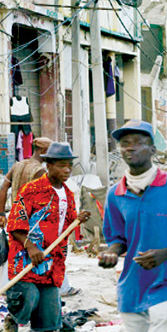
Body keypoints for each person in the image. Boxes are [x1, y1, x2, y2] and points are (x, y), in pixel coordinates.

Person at [99, 120, 167, 332]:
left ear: (152, 150)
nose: (129, 147)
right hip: (132, 288)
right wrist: (111, 253)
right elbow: (117, 238)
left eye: (137, 142)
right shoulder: (115, 194)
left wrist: (165, 254)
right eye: (124, 143)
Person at [4, 142, 91, 332]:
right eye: (61, 165)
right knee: (29, 297)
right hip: (26, 261)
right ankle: (12, 317)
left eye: (69, 165)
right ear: (49, 165)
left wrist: (78, 220)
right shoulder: (32, 190)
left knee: (49, 320)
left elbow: (65, 227)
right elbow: (14, 224)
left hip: (52, 264)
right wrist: (30, 246)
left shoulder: (67, 195)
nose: (67, 170)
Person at [0, 137, 52, 227]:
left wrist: (1, 214)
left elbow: (4, 188)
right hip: (30, 223)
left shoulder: (17, 165)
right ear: (43, 151)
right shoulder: (40, 171)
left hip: (15, 220)